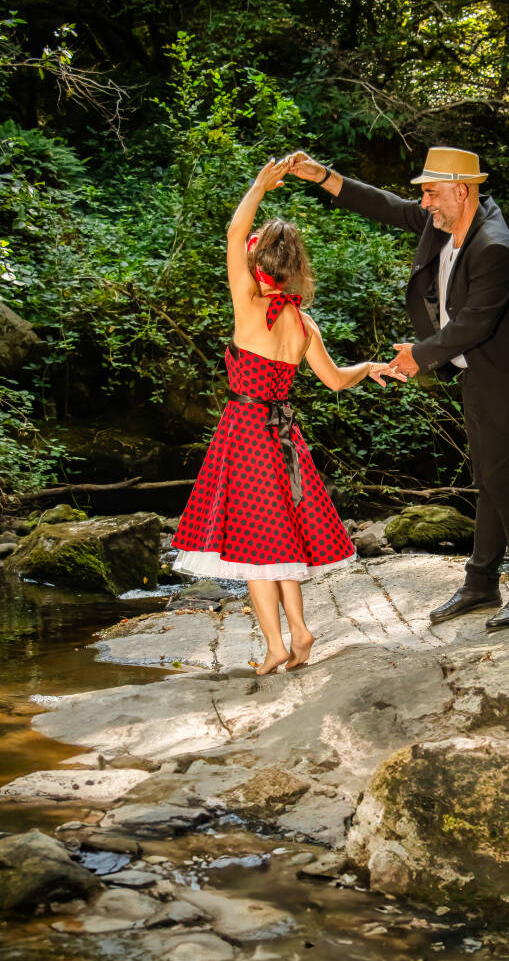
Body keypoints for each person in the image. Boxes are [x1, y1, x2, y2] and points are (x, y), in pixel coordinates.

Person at [286, 146, 509, 629]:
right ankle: (481, 584)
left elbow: (472, 324)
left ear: (461, 190)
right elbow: (385, 204)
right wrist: (322, 176)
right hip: (477, 376)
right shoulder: (443, 221)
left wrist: (416, 355)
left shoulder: (495, 248)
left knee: (503, 484)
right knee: (489, 482)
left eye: (430, 192)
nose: (423, 202)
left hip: (508, 382)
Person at [172, 156, 405, 675]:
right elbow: (336, 380)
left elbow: (235, 232)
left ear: (259, 265)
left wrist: (259, 185)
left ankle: (278, 645)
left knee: (252, 546)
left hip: (244, 435)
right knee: (277, 538)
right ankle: (299, 631)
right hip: (285, 439)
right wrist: (370, 367)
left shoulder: (248, 305)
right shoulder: (305, 324)